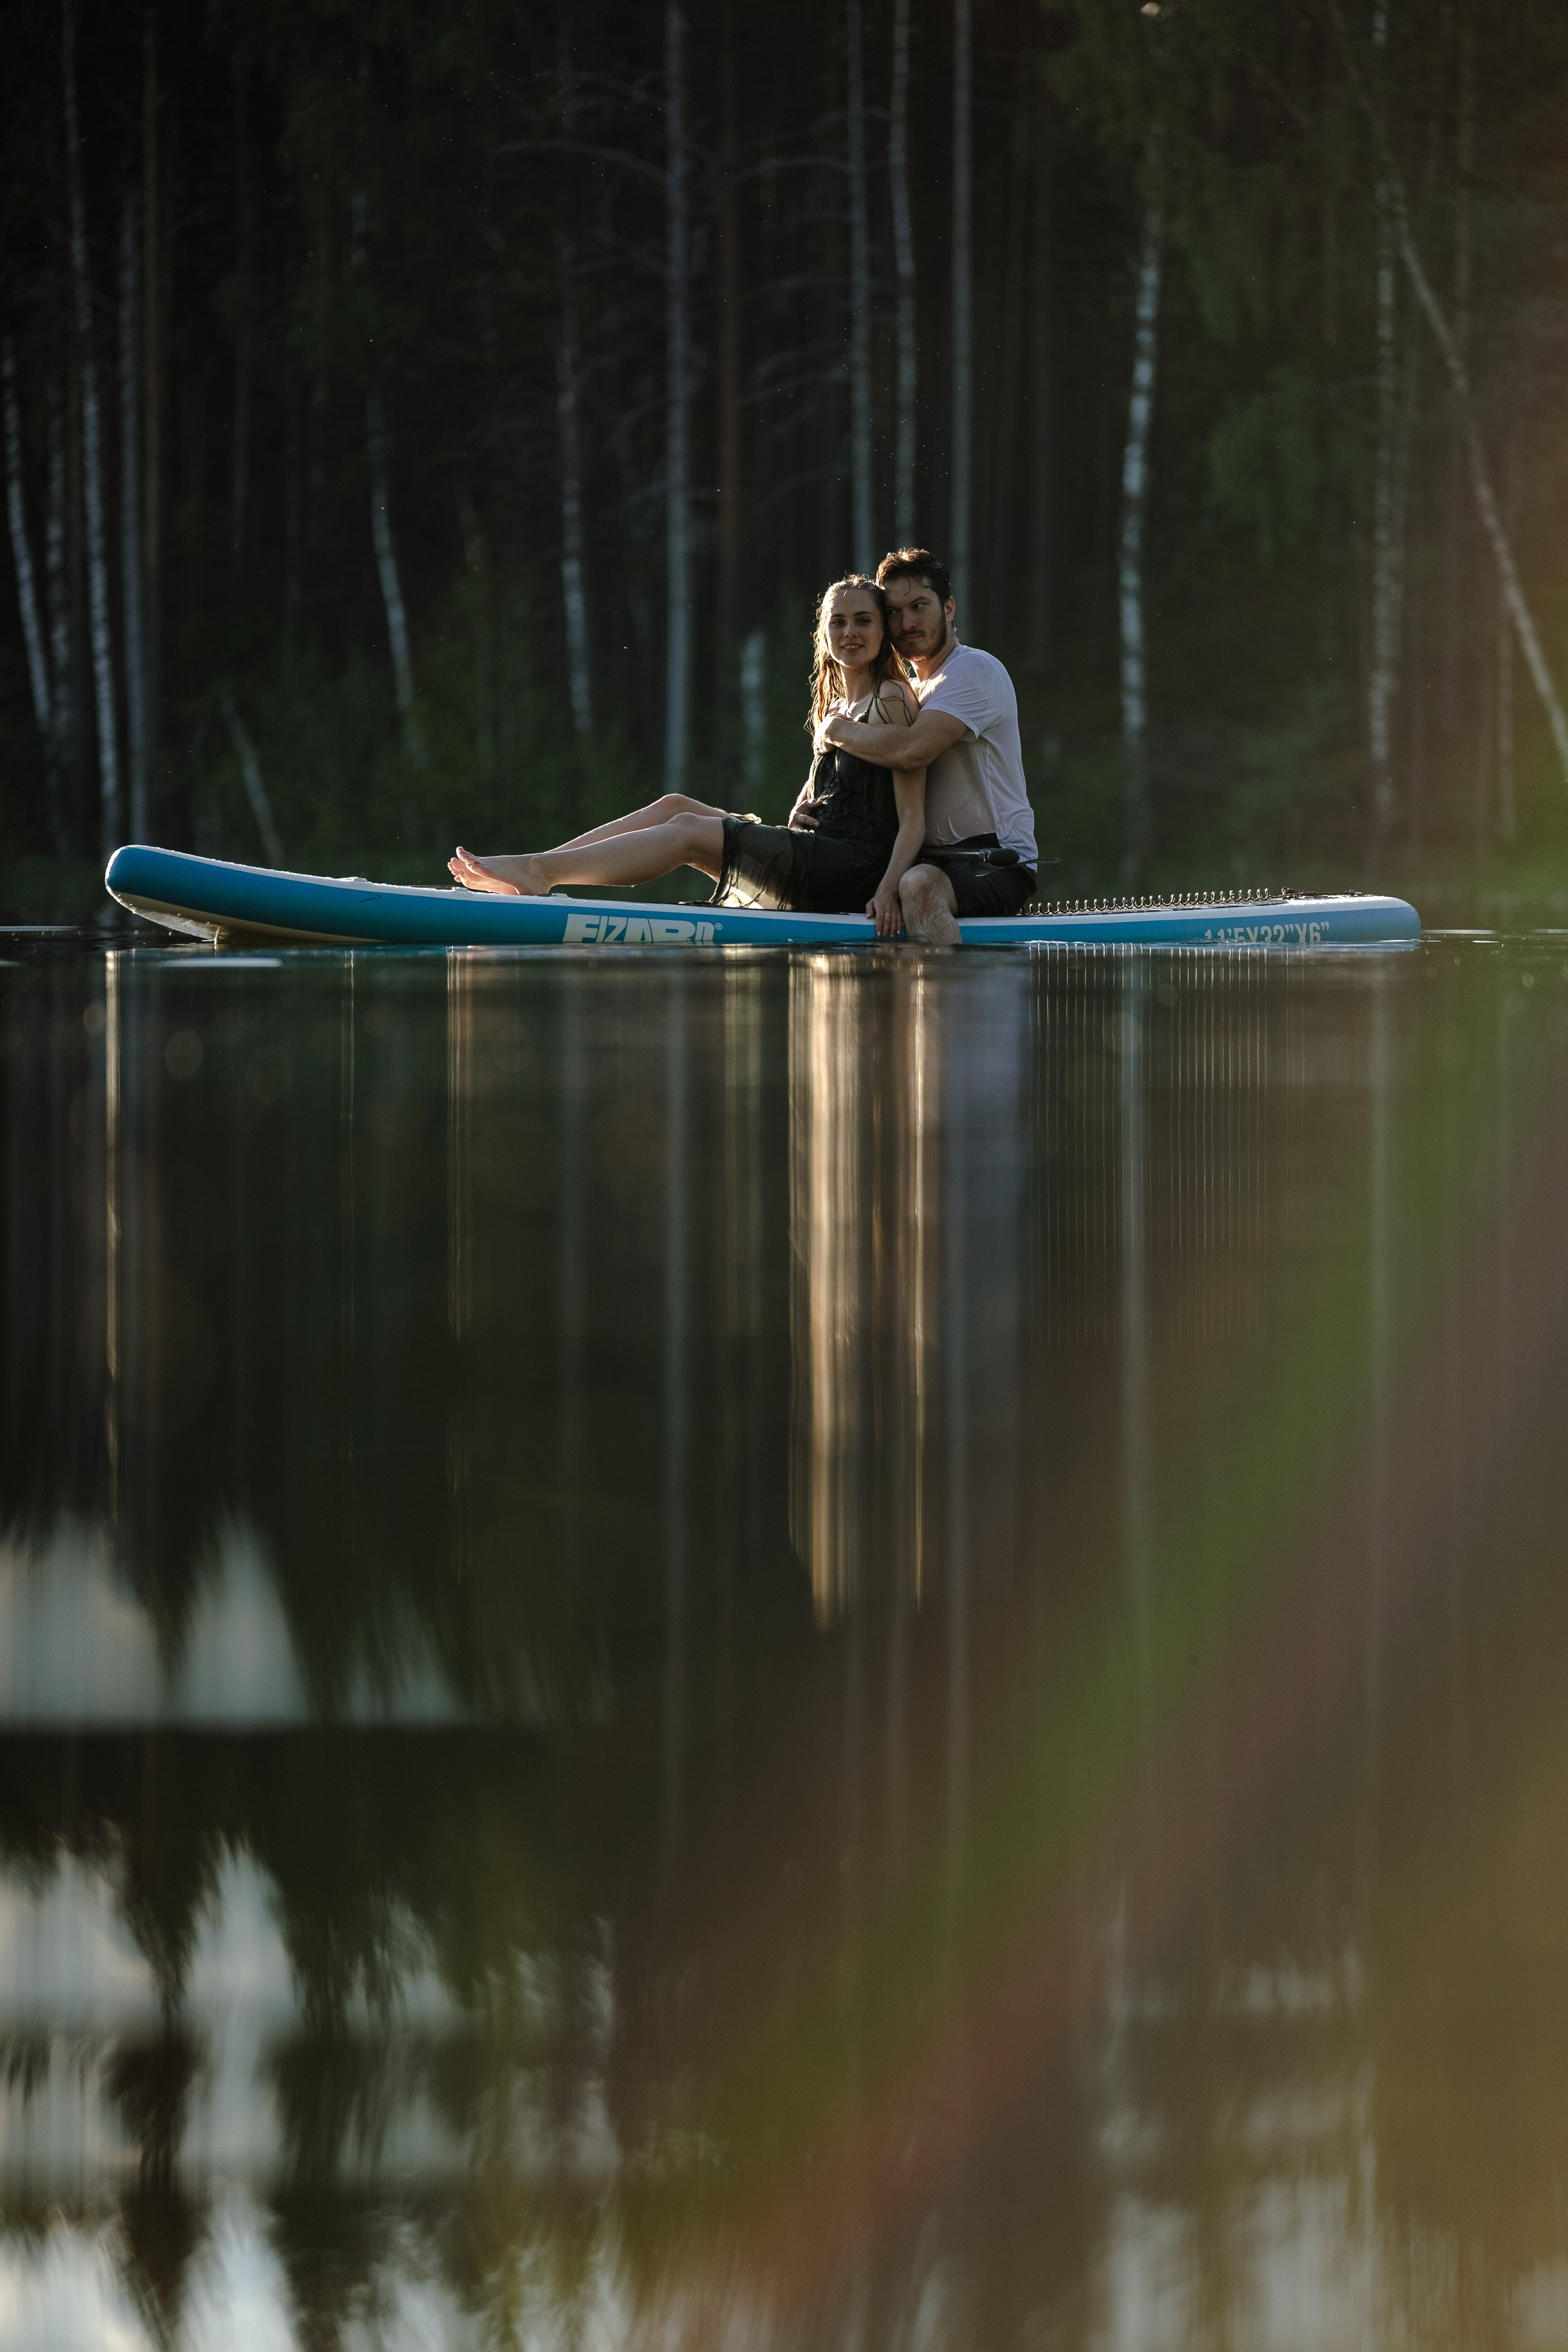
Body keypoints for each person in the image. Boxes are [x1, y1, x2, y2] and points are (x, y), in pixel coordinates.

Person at [448, 576, 927, 937]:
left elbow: (911, 819)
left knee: (688, 833)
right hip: (819, 857)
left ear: (883, 630)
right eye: (837, 621)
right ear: (823, 633)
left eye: (863, 620)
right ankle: (543, 868)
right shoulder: (834, 707)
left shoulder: (890, 699)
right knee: (675, 805)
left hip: (854, 872)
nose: (849, 632)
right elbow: (836, 795)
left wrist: (887, 890)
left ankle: (538, 873)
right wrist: (803, 810)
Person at [806, 546, 1038, 945]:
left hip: (995, 860)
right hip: (927, 860)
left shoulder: (973, 670)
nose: (906, 622)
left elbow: (912, 750)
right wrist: (807, 801)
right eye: (894, 612)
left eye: (919, 606)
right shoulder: (908, 691)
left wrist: (834, 730)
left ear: (949, 608)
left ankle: (938, 1003)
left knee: (918, 887)